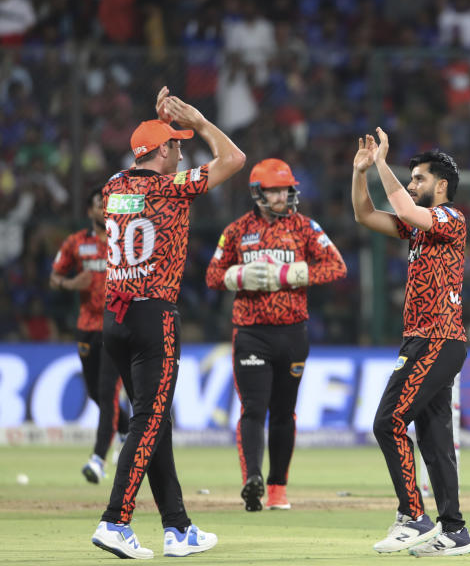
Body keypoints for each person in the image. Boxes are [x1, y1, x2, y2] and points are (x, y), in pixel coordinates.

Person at [91, 87, 245, 559]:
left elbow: (135, 167)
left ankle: (178, 528)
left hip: (114, 317)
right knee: (149, 421)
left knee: (158, 423)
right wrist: (197, 119)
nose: (182, 150)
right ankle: (116, 521)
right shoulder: (172, 187)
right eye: (176, 144)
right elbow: (234, 158)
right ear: (162, 151)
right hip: (153, 317)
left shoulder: (114, 187)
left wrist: (155, 130)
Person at [351, 128, 470, 557]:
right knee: (435, 443)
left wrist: (383, 163)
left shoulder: (450, 219)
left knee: (387, 422)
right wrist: (359, 172)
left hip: (436, 339)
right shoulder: (419, 231)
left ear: (441, 186)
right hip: (430, 341)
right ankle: (455, 530)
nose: (412, 185)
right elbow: (365, 216)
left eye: (419, 178)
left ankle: (413, 515)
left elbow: (401, 205)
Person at [205, 158, 347, 512]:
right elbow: (212, 275)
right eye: (275, 189)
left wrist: (294, 274)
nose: (283, 195)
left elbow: (336, 266)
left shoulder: (306, 227)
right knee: (253, 408)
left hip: (293, 334)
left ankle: (278, 489)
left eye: (286, 189)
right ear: (258, 192)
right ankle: (252, 479)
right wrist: (238, 277)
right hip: (251, 332)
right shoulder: (236, 231)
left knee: (284, 412)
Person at [50, 187, 130, 484]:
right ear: (90, 211)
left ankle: (98, 459)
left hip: (116, 325)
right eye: (99, 204)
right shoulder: (76, 243)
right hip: (86, 326)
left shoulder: (124, 239)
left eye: (108, 204)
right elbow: (55, 277)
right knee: (97, 393)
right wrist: (72, 284)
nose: (104, 208)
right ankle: (127, 430)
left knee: (108, 392)